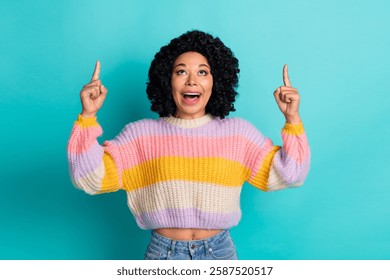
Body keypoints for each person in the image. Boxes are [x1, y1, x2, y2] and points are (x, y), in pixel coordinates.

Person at [67, 30, 310, 260]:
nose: (192, 81)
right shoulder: (140, 136)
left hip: (220, 253)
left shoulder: (239, 135)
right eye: (181, 72)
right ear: (167, 80)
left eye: (203, 72)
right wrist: (87, 116)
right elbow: (87, 177)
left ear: (216, 81)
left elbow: (292, 174)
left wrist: (293, 119)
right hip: (164, 255)